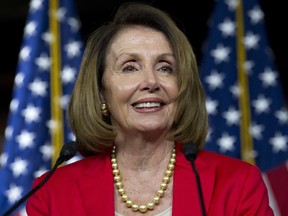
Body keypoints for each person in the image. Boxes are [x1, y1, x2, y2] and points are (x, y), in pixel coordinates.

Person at [26, 2, 274, 215]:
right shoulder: (52, 193)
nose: (151, 82)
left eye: (165, 67)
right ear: (101, 91)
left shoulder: (238, 183)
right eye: (129, 67)